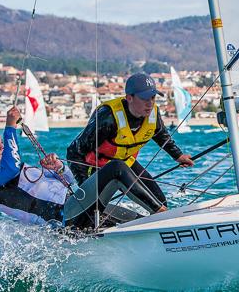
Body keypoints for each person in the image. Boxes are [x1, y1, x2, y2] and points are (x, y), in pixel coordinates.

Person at [0, 106, 167, 229]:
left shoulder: (24, 170)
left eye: (1, 141)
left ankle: (162, 219)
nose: (2, 144)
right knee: (116, 168)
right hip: (65, 218)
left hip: (78, 207)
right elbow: (10, 167)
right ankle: (160, 211)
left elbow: (70, 182)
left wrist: (59, 168)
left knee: (141, 223)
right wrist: (10, 127)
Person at [66, 73, 194, 208]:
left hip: (125, 164)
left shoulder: (153, 114)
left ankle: (157, 217)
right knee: (117, 168)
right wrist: (85, 187)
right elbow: (74, 152)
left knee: (160, 202)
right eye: (145, 98)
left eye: (153, 97)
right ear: (129, 98)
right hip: (97, 169)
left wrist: (178, 156)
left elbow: (161, 135)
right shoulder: (108, 117)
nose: (150, 103)